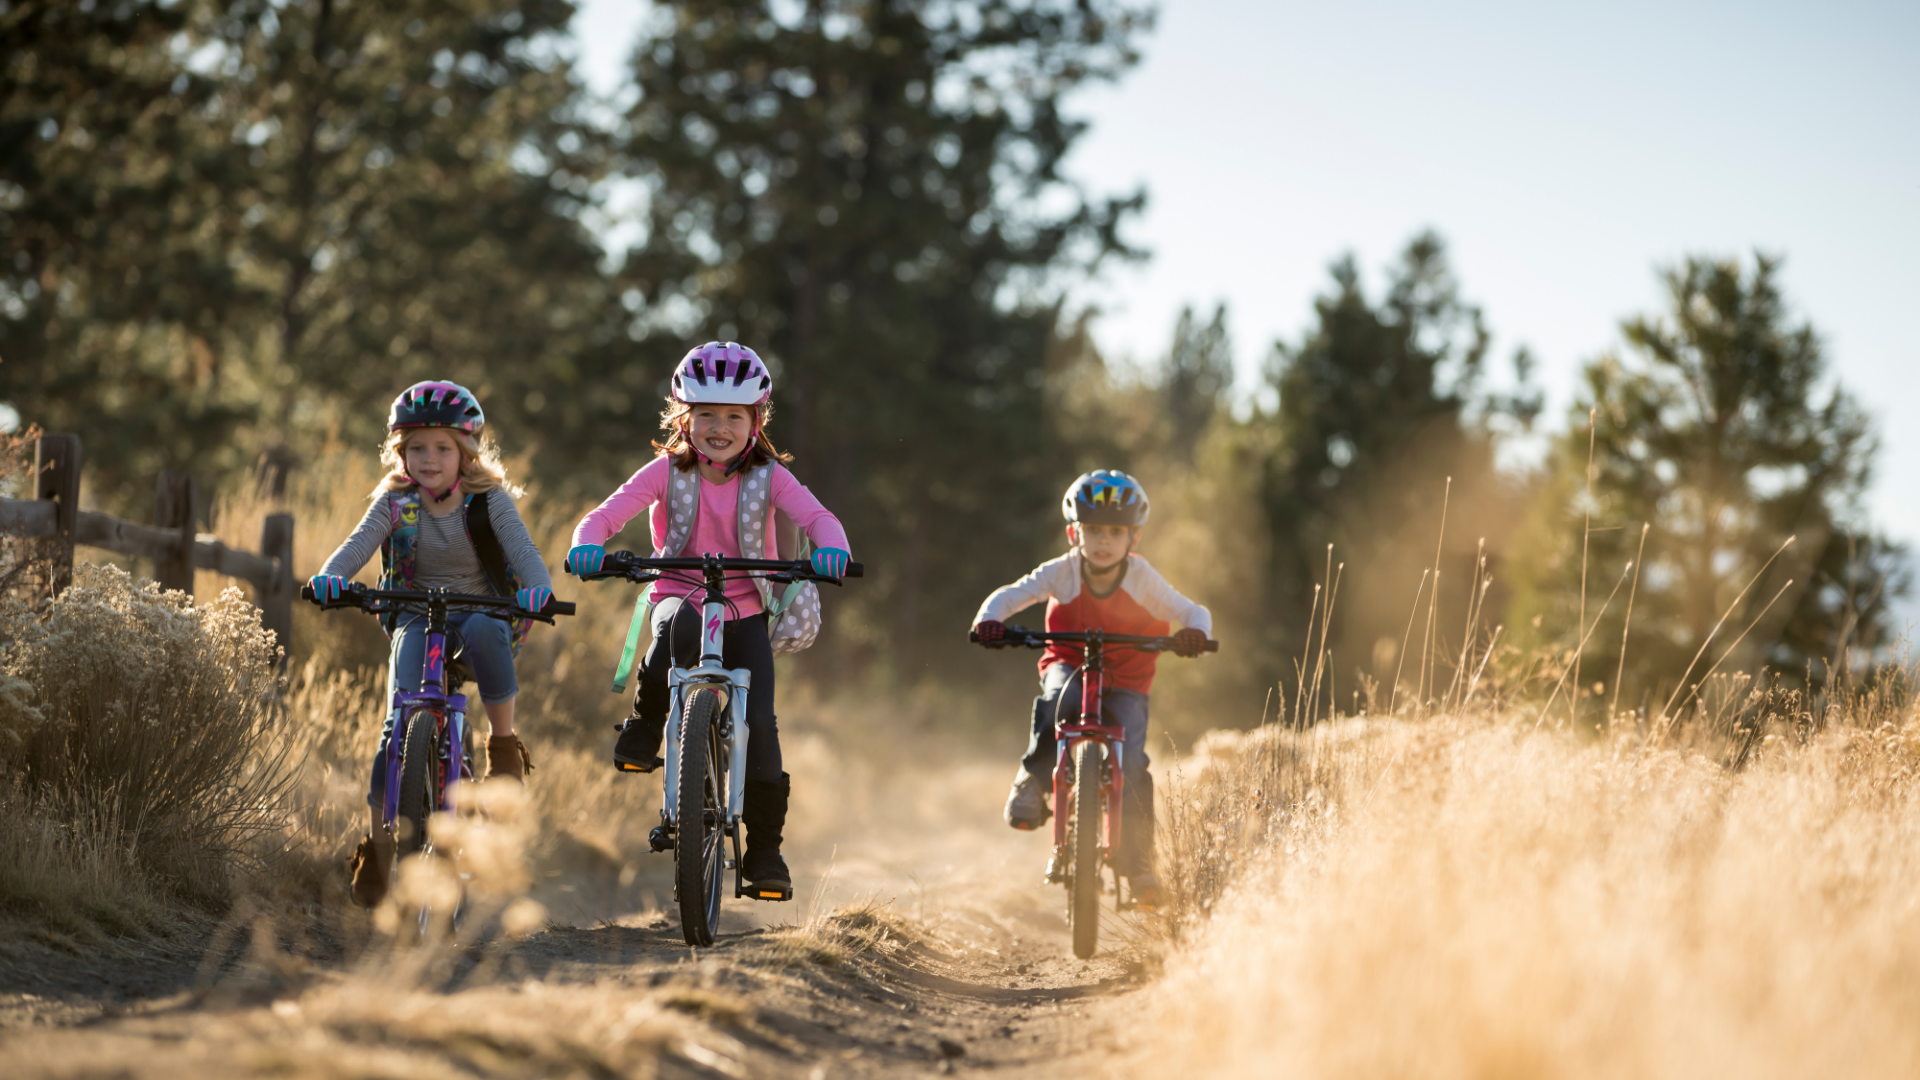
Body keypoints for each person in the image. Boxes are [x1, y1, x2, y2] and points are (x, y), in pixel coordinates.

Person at [563, 341, 852, 900]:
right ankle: (648, 724)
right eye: (706, 415)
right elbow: (604, 515)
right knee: (674, 628)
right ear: (684, 418)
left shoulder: (770, 477)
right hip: (678, 591)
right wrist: (587, 544)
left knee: (762, 725)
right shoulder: (666, 471)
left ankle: (765, 851)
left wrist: (832, 549)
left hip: (746, 608)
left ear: (755, 421)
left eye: (734, 416)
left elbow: (818, 518)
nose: (719, 427)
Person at [308, 381, 556, 908]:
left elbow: (524, 550)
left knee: (488, 634)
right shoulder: (395, 502)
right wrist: (329, 577)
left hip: (482, 611)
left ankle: (504, 744)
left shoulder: (488, 502)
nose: (429, 459)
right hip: (415, 613)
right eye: (416, 448)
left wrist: (539, 590)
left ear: (467, 453)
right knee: (395, 726)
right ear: (400, 453)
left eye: (443, 448)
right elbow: (357, 545)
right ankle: (377, 847)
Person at [969, 470, 1212, 909]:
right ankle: (1032, 780)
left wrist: (1195, 631)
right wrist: (989, 619)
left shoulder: (1142, 578)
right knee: (1058, 703)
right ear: (1073, 532)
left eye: (1115, 532)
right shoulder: (1063, 571)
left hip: (1129, 680)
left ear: (1133, 539)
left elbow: (1191, 610)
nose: (1104, 540)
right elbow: (1012, 594)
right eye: (1094, 529)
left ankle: (1140, 865)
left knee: (1133, 762)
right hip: (1068, 663)